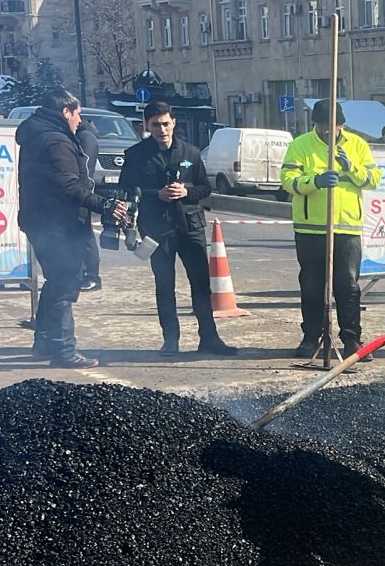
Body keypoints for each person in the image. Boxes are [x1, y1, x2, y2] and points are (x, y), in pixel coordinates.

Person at [15, 89, 125, 369]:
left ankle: (42, 343)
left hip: (41, 221)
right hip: (57, 224)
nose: (80, 120)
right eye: (77, 114)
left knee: (54, 283)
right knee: (64, 285)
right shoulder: (56, 142)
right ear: (66, 113)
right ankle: (64, 350)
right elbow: (69, 186)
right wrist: (105, 204)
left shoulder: (38, 134)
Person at [119, 100, 237, 357]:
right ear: (147, 126)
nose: (161, 129)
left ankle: (209, 338)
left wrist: (187, 191)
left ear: (173, 123)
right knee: (165, 286)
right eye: (155, 125)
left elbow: (205, 188)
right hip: (156, 229)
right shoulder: (136, 156)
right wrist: (156, 194)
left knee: (200, 284)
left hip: (189, 227)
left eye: (165, 123)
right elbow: (126, 191)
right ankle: (170, 340)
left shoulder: (191, 153)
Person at [280, 99, 384, 360]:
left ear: (341, 125)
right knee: (312, 285)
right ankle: (311, 336)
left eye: (334, 125)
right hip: (311, 229)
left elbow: (374, 179)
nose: (329, 129)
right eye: (324, 124)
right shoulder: (300, 145)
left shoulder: (357, 145)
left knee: (347, 286)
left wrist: (352, 169)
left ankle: (352, 339)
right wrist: (314, 181)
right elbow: (287, 181)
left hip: (347, 228)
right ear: (316, 123)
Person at [75, 118, 102, 292]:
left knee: (85, 235)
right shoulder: (81, 135)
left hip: (81, 193)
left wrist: (81, 190)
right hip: (80, 192)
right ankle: (83, 274)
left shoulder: (85, 137)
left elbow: (84, 168)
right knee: (81, 234)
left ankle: (92, 276)